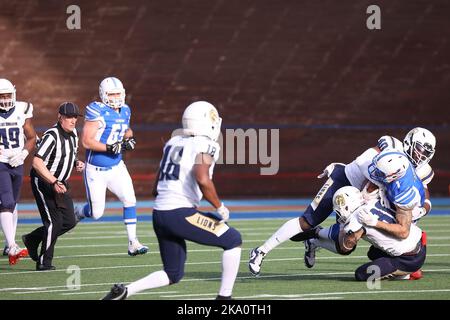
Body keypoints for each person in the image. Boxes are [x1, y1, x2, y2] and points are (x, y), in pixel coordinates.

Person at [102, 101, 242, 300]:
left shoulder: (173, 142)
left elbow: (155, 187)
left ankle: (125, 291)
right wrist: (219, 206)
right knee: (233, 239)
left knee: (173, 273)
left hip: (159, 214)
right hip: (179, 213)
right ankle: (224, 298)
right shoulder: (206, 144)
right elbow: (202, 177)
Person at [248, 129, 434, 276]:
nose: (421, 155)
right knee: (307, 221)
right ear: (409, 142)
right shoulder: (392, 145)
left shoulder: (421, 170)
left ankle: (314, 241)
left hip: (362, 200)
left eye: (426, 152)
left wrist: (424, 209)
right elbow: (363, 162)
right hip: (346, 182)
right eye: (419, 148)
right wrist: (343, 169)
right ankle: (261, 251)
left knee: (347, 244)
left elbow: (423, 192)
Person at [74, 77, 148, 256]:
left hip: (116, 167)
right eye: (112, 94)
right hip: (96, 170)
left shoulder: (125, 110)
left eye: (118, 94)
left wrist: (129, 139)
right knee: (96, 213)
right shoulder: (97, 111)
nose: (115, 98)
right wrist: (109, 147)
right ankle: (78, 211)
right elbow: (86, 141)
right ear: (103, 95)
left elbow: (125, 129)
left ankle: (133, 242)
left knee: (130, 200)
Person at [21, 102, 85, 271]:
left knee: (70, 221)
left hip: (60, 183)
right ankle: (44, 262)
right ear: (60, 117)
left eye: (75, 117)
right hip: (44, 181)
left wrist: (76, 163)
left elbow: (65, 156)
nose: (72, 121)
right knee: (54, 222)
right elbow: (36, 162)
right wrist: (53, 181)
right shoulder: (52, 135)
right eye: (68, 117)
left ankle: (33, 238)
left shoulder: (73, 135)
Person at [317, 186, 426, 281]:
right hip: (420, 241)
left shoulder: (357, 219)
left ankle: (408, 273)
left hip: (409, 259)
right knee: (373, 253)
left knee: (361, 274)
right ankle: (404, 269)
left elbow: (347, 247)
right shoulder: (373, 201)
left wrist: (341, 236)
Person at [0, 78, 36, 265]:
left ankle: (8, 243)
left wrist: (23, 153)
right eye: (1, 96)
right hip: (1, 163)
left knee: (13, 203)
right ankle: (13, 245)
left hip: (17, 161)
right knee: (6, 201)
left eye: (8, 95)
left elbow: (31, 137)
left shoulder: (22, 109)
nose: (5, 99)